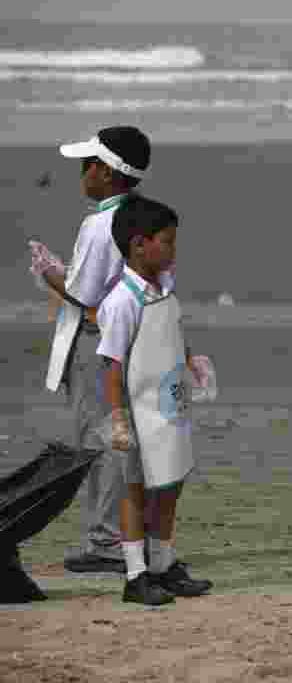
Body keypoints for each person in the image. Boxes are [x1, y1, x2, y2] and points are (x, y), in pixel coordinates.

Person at [29, 126, 165, 574]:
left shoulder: (100, 223)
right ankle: (130, 536)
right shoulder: (144, 216)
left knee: (103, 441)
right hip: (137, 335)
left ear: (106, 173)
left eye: (88, 165)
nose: (82, 173)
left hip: (99, 339)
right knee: (126, 438)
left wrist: (48, 272)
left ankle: (107, 541)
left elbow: (83, 294)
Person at [97, 195, 211, 604]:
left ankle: (163, 563)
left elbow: (173, 330)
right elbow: (111, 364)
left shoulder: (165, 287)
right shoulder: (121, 301)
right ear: (139, 245)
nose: (173, 249)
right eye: (167, 241)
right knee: (135, 489)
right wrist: (118, 418)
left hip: (171, 405)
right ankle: (136, 574)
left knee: (171, 481)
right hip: (138, 412)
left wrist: (191, 363)